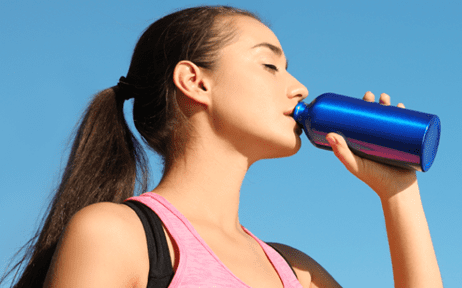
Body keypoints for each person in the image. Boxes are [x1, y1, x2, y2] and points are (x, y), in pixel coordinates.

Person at [1, 5, 442, 288]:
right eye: (269, 65)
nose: (298, 87)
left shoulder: (295, 271)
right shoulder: (118, 236)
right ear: (196, 81)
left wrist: (398, 193)